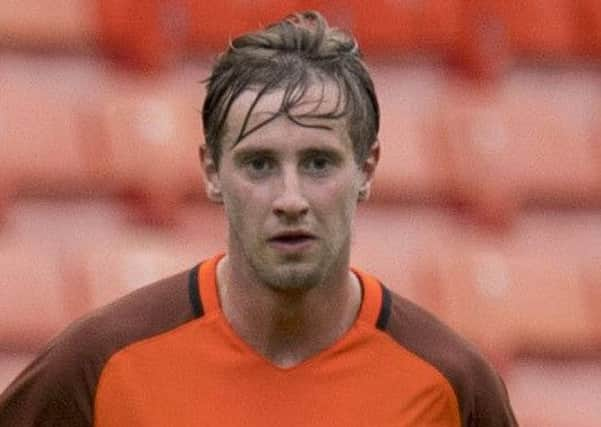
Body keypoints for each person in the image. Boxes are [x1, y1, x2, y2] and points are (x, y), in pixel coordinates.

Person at [0, 11, 517, 426]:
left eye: (318, 162)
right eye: (259, 164)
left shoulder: (451, 384)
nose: (289, 198)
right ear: (211, 171)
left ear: (366, 167)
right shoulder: (101, 363)